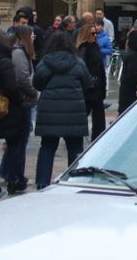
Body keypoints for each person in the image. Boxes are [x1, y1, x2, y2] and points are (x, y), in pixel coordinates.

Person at [34, 29, 93, 189]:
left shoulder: (45, 62)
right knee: (75, 148)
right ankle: (74, 181)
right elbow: (87, 83)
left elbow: (36, 83)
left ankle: (42, 182)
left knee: (47, 147)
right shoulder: (78, 62)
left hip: (49, 112)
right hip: (74, 111)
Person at [0, 30, 34, 193]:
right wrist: (22, 100)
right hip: (12, 110)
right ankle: (15, 179)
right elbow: (11, 86)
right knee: (16, 144)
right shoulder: (5, 63)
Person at [76, 20, 108, 139]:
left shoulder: (95, 47)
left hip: (97, 87)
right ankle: (78, 136)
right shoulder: (84, 49)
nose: (95, 36)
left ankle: (98, 138)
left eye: (96, 34)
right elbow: (83, 68)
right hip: (89, 88)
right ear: (86, 35)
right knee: (84, 114)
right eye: (93, 34)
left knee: (99, 117)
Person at [118, 28, 137, 112]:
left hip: (128, 93)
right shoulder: (134, 56)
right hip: (130, 93)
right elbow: (133, 75)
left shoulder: (134, 54)